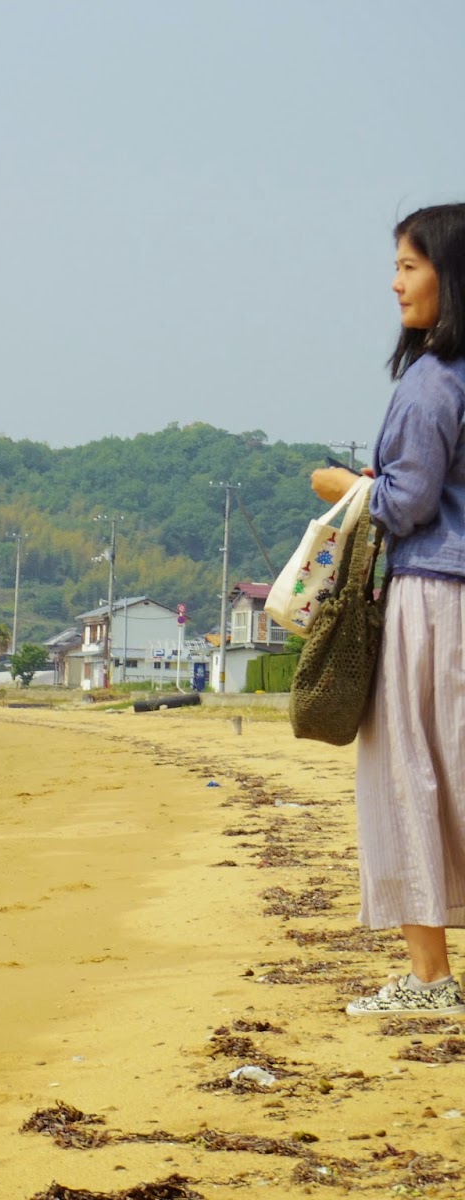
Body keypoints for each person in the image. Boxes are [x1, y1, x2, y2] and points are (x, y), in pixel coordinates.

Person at [311, 204, 465, 1016]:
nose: (396, 283)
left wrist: (344, 488)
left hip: (434, 592)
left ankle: (430, 979)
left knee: (410, 771)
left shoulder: (432, 380)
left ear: (451, 275)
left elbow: (406, 505)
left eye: (409, 266)